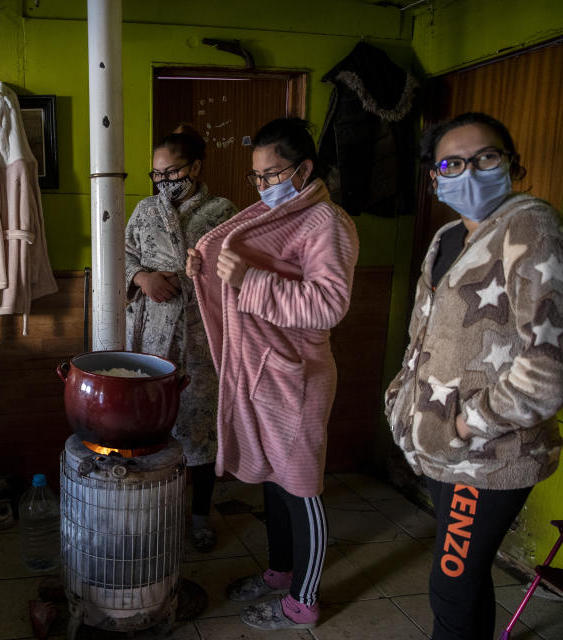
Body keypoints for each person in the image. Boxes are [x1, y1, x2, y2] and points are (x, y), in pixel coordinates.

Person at [384, 112, 563, 640]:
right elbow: (423, 338)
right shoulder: (446, 237)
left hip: (489, 455)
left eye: (486, 157)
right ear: (435, 177)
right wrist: (402, 405)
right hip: (443, 449)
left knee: (452, 586)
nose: (470, 171)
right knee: (462, 581)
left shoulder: (530, 225)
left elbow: (551, 361)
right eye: (452, 162)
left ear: (511, 162)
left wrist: (466, 425)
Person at [187, 118, 359, 629]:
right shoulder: (274, 215)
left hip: (298, 375)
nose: (264, 187)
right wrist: (208, 266)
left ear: (304, 169)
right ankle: (281, 572)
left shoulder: (327, 222)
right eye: (257, 177)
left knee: (301, 487)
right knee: (273, 483)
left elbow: (328, 304)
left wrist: (247, 277)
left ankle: (304, 602)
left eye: (273, 174)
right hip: (264, 370)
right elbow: (238, 265)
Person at [124, 123, 237, 553]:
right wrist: (143, 277)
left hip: (202, 333)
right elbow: (124, 251)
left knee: (200, 425)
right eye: (157, 174)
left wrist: (189, 283)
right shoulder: (144, 212)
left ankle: (200, 518)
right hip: (152, 332)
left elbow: (233, 272)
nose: (164, 181)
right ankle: (154, 512)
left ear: (195, 167)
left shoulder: (222, 212)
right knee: (151, 423)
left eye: (172, 172)